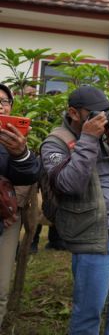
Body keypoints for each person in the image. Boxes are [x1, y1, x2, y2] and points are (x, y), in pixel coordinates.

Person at [40, 85, 109, 334]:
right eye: (95, 113)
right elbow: (68, 185)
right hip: (92, 232)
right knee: (89, 308)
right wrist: (88, 139)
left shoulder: (106, 133)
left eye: (106, 112)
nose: (102, 118)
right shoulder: (55, 142)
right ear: (74, 113)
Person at [0, 83, 41, 328]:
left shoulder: (12, 139)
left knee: (0, 288)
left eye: (4, 101)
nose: (0, 106)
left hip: (5, 219)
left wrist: (20, 153)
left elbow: (29, 174)